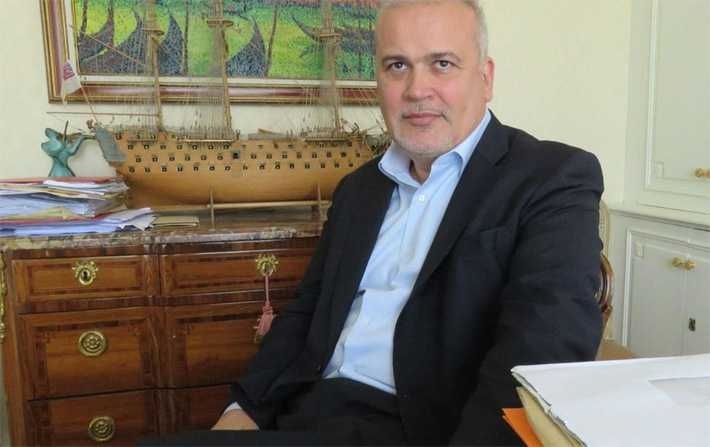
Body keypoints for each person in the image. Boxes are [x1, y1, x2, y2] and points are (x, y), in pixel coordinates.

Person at [143, 0, 603, 445]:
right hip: (308, 412)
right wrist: (243, 408)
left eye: (442, 64)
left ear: (485, 78)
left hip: (426, 427)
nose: (417, 90)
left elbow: (543, 347)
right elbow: (307, 310)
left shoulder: (552, 178)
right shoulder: (358, 189)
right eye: (397, 66)